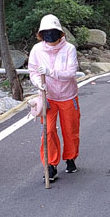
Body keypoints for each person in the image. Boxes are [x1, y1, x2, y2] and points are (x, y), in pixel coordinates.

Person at [27, 14, 80, 183]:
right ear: (41, 34)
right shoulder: (37, 50)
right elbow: (33, 71)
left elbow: (71, 73)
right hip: (47, 97)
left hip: (67, 95)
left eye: (53, 31)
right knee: (48, 131)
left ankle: (70, 157)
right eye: (46, 32)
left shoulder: (69, 49)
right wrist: (39, 83)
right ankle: (50, 164)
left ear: (60, 32)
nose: (50, 35)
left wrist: (51, 72)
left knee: (70, 129)